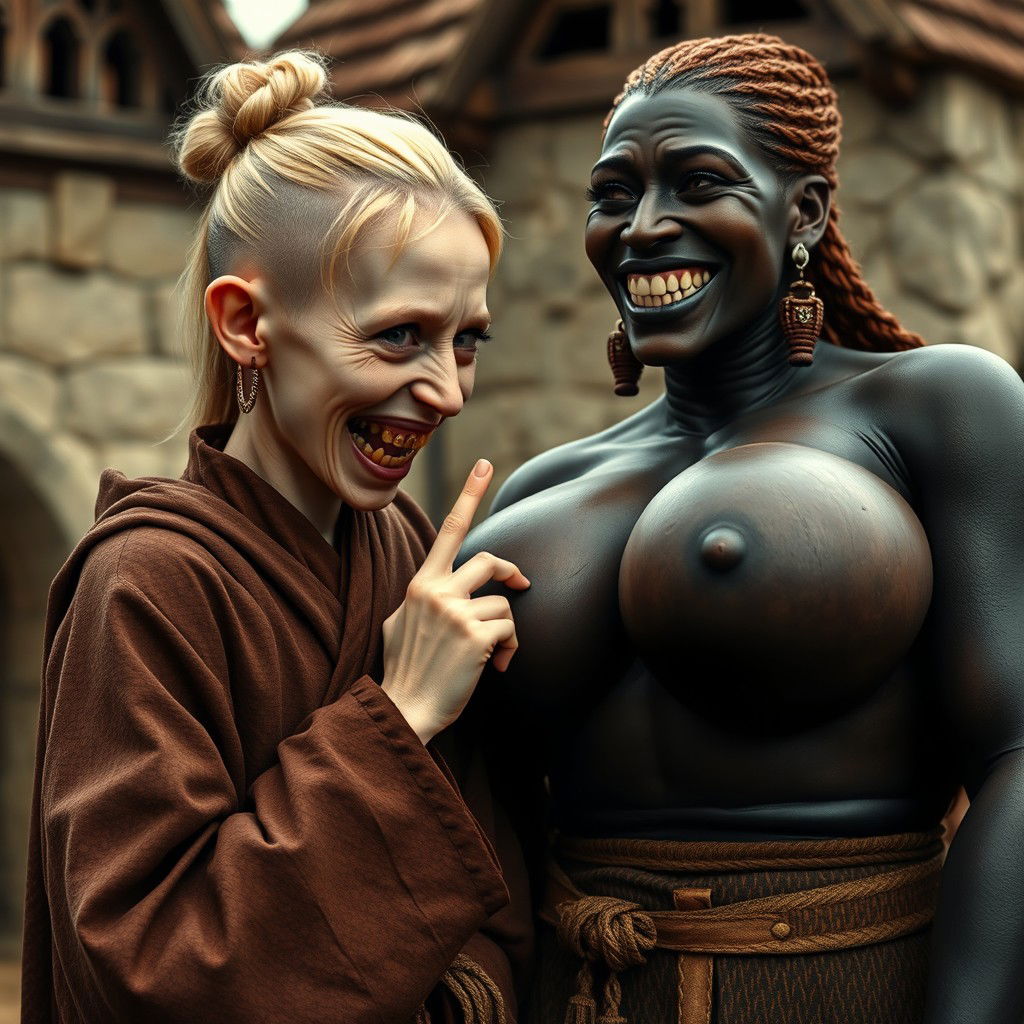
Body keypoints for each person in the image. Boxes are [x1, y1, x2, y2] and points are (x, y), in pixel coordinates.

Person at [459, 33, 1024, 1024]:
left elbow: (1020, 754)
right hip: (575, 988)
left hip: (841, 984)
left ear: (802, 210)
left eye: (695, 181)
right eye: (612, 193)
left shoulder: (940, 408)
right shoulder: (541, 485)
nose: (641, 227)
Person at [22, 51, 533, 1024]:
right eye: (397, 337)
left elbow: (490, 890)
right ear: (247, 323)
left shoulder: (404, 553)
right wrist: (401, 712)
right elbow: (151, 972)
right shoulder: (144, 582)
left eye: (466, 337)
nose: (447, 389)